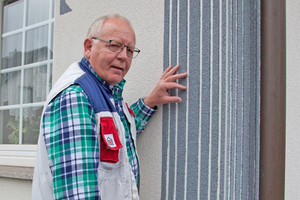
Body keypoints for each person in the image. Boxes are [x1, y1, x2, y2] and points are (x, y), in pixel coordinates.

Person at [32, 14, 187, 200]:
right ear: (89, 47)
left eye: (129, 50)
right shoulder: (75, 97)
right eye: (114, 45)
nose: (123, 56)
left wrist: (150, 101)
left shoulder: (105, 93)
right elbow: (78, 194)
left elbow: (118, 135)